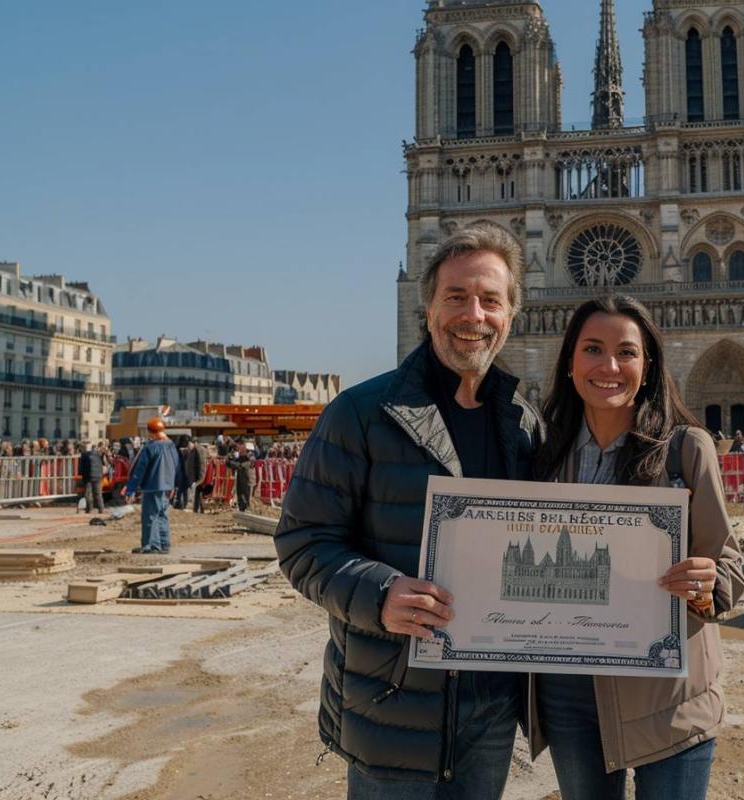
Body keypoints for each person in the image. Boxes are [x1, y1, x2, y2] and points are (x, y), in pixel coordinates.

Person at [274, 224, 543, 798]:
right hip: (393, 703)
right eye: (456, 296)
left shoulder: (524, 423)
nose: (473, 314)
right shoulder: (360, 413)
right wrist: (381, 595)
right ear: (427, 308)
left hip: (491, 708)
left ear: (511, 314)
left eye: (490, 299)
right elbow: (303, 543)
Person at [530, 295, 744, 800]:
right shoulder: (543, 454)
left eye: (626, 352)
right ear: (568, 362)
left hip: (667, 692)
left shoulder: (685, 449)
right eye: (592, 349)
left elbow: (729, 569)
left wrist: (708, 582)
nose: (609, 366)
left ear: (648, 367)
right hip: (571, 690)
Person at [122, 416, 181, 554]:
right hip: (167, 486)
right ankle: (164, 544)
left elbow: (140, 470)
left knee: (150, 516)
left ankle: (152, 545)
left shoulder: (150, 447)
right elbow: (176, 466)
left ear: (150, 431)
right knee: (162, 515)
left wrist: (131, 488)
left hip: (153, 486)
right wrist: (173, 485)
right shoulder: (171, 446)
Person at [226, 442, 256, 512]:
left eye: (242, 450)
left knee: (246, 496)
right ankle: (241, 508)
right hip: (240, 479)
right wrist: (229, 460)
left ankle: (246, 508)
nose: (240, 451)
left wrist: (231, 462)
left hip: (247, 480)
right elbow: (231, 464)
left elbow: (240, 465)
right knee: (240, 495)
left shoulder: (250, 459)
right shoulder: (241, 457)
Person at [78, 441, 105, 514]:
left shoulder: (84, 455)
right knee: (98, 493)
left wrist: (81, 474)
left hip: (88, 477)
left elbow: (81, 467)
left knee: (88, 494)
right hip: (98, 476)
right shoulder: (98, 454)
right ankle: (101, 508)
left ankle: (89, 509)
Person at [185, 439, 210, 514]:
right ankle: (197, 508)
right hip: (198, 476)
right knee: (198, 492)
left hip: (200, 476)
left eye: (189, 445)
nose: (188, 447)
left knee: (199, 491)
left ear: (194, 443)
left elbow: (202, 465)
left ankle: (199, 508)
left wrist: (200, 478)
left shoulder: (199, 450)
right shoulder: (195, 450)